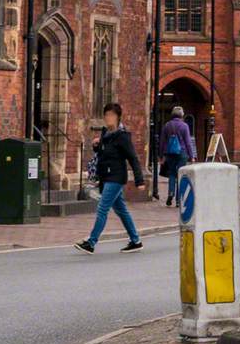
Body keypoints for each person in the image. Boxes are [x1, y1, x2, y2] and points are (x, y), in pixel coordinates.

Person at [75, 102, 145, 253]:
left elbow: (133, 158)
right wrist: (96, 145)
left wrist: (140, 180)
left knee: (102, 208)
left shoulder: (122, 136)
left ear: (118, 117)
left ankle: (91, 242)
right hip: (106, 176)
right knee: (121, 210)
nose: (108, 118)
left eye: (112, 115)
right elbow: (104, 153)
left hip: (116, 177)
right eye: (106, 115)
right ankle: (135, 240)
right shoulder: (106, 133)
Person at [161, 105, 197, 206]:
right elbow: (188, 142)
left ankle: (170, 193)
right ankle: (178, 200)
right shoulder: (184, 126)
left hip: (170, 153)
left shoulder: (167, 125)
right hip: (182, 153)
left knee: (172, 174)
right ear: (182, 115)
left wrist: (161, 155)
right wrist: (192, 155)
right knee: (181, 175)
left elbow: (163, 141)